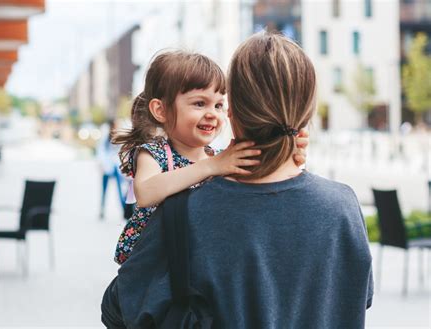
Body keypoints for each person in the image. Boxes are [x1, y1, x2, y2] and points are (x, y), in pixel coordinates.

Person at [102, 32, 373, 328]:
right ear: (306, 113)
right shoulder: (343, 207)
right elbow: (358, 296)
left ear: (233, 111)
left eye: (219, 104)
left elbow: (119, 307)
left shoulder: (185, 214)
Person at [111, 51, 309, 264]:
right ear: (161, 110)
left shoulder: (217, 157)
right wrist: (210, 166)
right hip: (155, 261)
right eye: (199, 103)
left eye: (218, 105)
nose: (212, 114)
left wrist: (290, 153)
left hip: (196, 259)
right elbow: (146, 193)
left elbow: (253, 170)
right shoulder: (154, 153)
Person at [96, 120, 127, 219]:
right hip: (107, 167)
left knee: (119, 190)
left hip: (116, 167)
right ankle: (102, 209)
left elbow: (122, 151)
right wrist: (102, 165)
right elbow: (101, 152)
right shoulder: (105, 138)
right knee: (104, 190)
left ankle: (124, 210)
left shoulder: (120, 137)